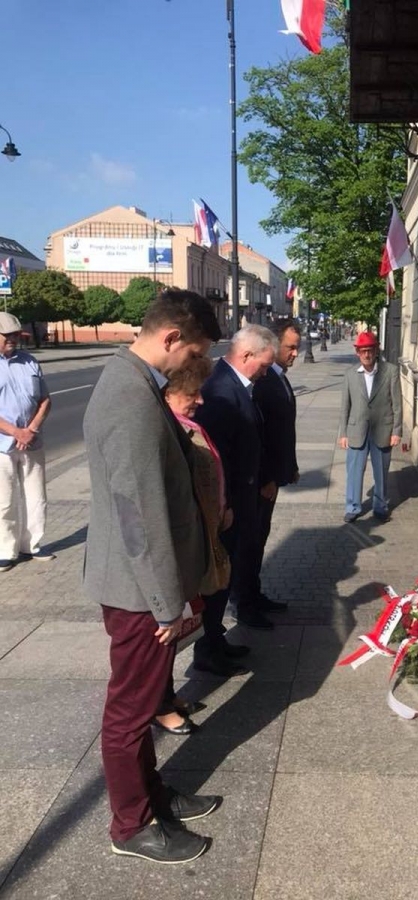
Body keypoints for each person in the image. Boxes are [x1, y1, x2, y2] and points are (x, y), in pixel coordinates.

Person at [83, 289, 222, 864]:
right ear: (171, 337)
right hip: (139, 590)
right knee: (129, 712)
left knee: (141, 707)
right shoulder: (130, 396)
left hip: (146, 585)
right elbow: (138, 513)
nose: (194, 363)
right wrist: (167, 603)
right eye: (194, 351)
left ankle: (151, 795)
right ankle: (131, 825)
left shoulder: (136, 381)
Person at [153, 355, 243, 736]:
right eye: (193, 393)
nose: (201, 400)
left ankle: (167, 694)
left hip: (199, 535)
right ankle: (158, 705)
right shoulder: (168, 431)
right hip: (175, 547)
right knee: (162, 632)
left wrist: (222, 507)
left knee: (179, 627)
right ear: (170, 394)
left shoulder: (186, 425)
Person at [194, 324, 278, 637]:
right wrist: (225, 504)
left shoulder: (237, 385)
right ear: (246, 355)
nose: (265, 374)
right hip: (228, 506)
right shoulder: (221, 390)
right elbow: (216, 458)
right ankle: (210, 645)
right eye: (264, 366)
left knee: (230, 572)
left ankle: (215, 642)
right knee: (220, 578)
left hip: (242, 499)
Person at [252, 318, 301, 608]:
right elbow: (262, 434)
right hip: (262, 481)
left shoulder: (278, 375)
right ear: (273, 345)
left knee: (261, 534)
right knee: (254, 537)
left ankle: (254, 593)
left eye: (298, 347)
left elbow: (284, 429)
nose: (295, 353)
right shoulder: (265, 379)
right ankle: (246, 600)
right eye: (290, 347)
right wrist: (268, 477)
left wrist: (290, 466)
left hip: (274, 476)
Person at [0, 311, 53, 573]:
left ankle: (32, 545)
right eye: (7, 335)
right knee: (5, 501)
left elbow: (45, 400)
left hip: (32, 441)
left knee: (36, 496)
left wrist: (30, 429)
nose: (13, 339)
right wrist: (15, 432)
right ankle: (6, 550)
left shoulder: (29, 361)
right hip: (3, 445)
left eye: (15, 335)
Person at [338, 331, 402, 523]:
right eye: (363, 351)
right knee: (354, 471)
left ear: (376, 350)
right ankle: (353, 507)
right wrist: (343, 433)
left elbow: (397, 404)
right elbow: (345, 406)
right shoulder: (350, 375)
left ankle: (380, 506)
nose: (366, 354)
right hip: (357, 430)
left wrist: (397, 431)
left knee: (381, 472)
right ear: (357, 352)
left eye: (370, 350)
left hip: (382, 429)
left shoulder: (390, 371)